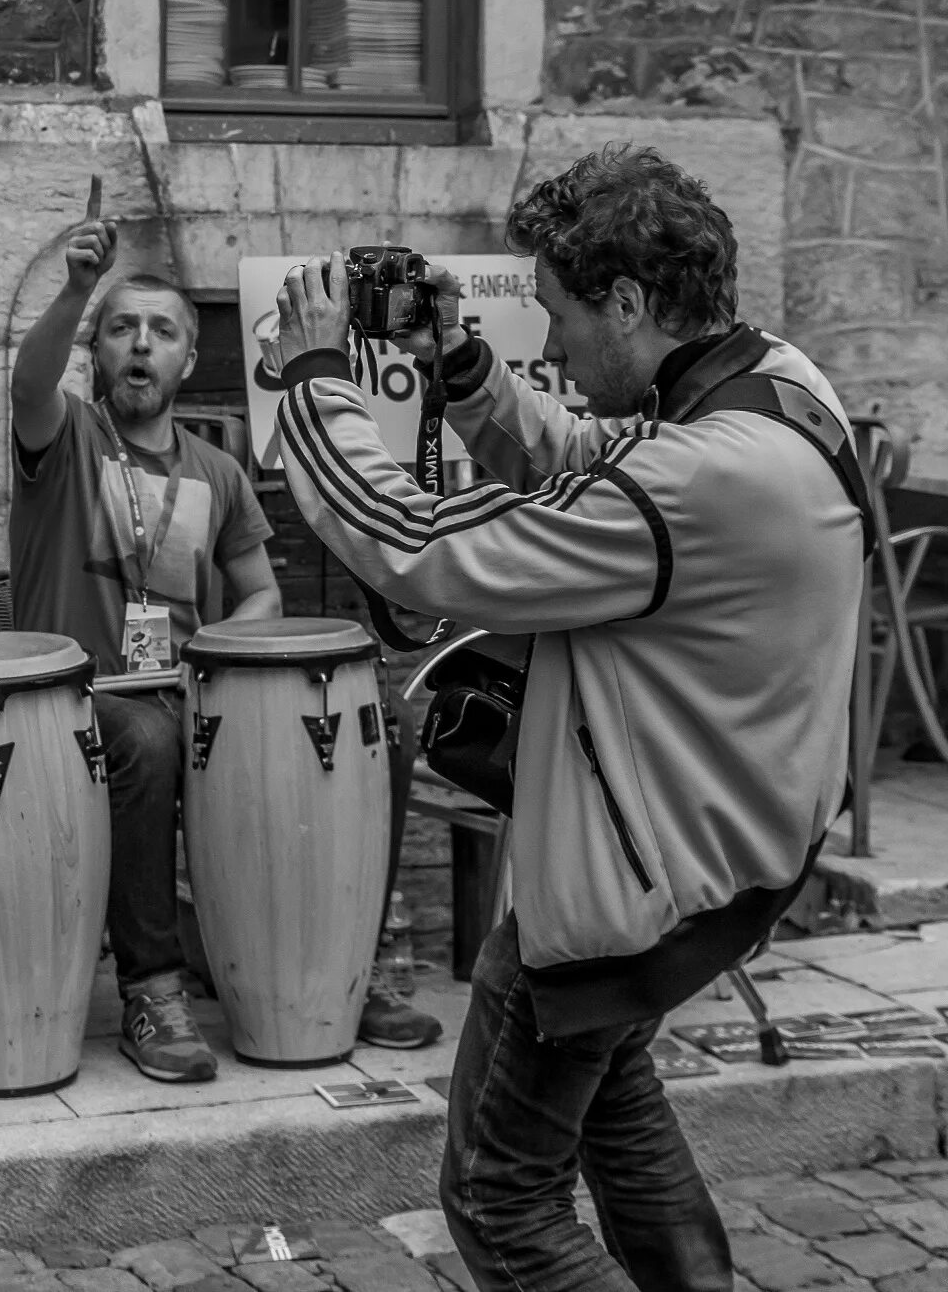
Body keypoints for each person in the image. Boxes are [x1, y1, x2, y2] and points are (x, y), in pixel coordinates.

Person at [270, 146, 863, 1292]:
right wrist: (465, 370)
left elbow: (426, 550)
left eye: (554, 313)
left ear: (629, 303)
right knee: (621, 1120)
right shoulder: (777, 389)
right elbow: (605, 466)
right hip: (714, 856)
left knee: (502, 1202)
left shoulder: (696, 477)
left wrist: (311, 385)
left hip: (617, 893)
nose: (546, 342)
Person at [8, 217, 442, 1081]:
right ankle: (153, 988)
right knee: (145, 737)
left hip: (194, 692)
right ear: (98, 354)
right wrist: (72, 293)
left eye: (162, 331)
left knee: (371, 729)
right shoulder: (65, 438)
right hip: (80, 700)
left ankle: (336, 969)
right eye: (122, 329)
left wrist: (217, 650)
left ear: (187, 358)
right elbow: (27, 385)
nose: (140, 344)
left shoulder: (219, 472)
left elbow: (262, 593)